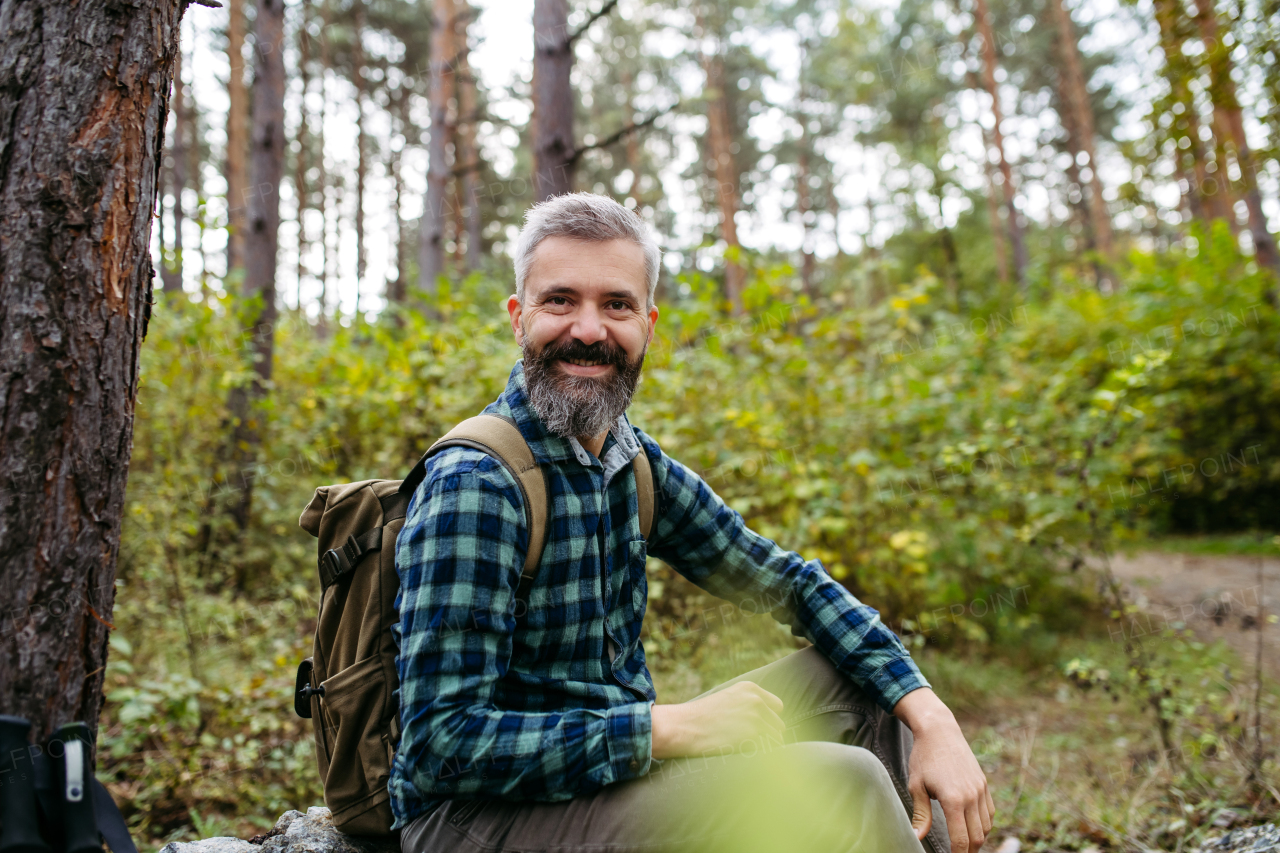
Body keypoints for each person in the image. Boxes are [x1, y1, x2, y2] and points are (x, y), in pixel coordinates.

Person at [390, 192, 995, 853]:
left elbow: (787, 582)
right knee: (841, 782)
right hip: (474, 820)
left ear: (647, 323)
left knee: (865, 679)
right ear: (518, 317)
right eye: (560, 300)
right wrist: (663, 730)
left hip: (603, 778)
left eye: (615, 304)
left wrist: (932, 713)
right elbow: (441, 746)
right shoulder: (478, 484)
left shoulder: (630, 460)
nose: (589, 330)